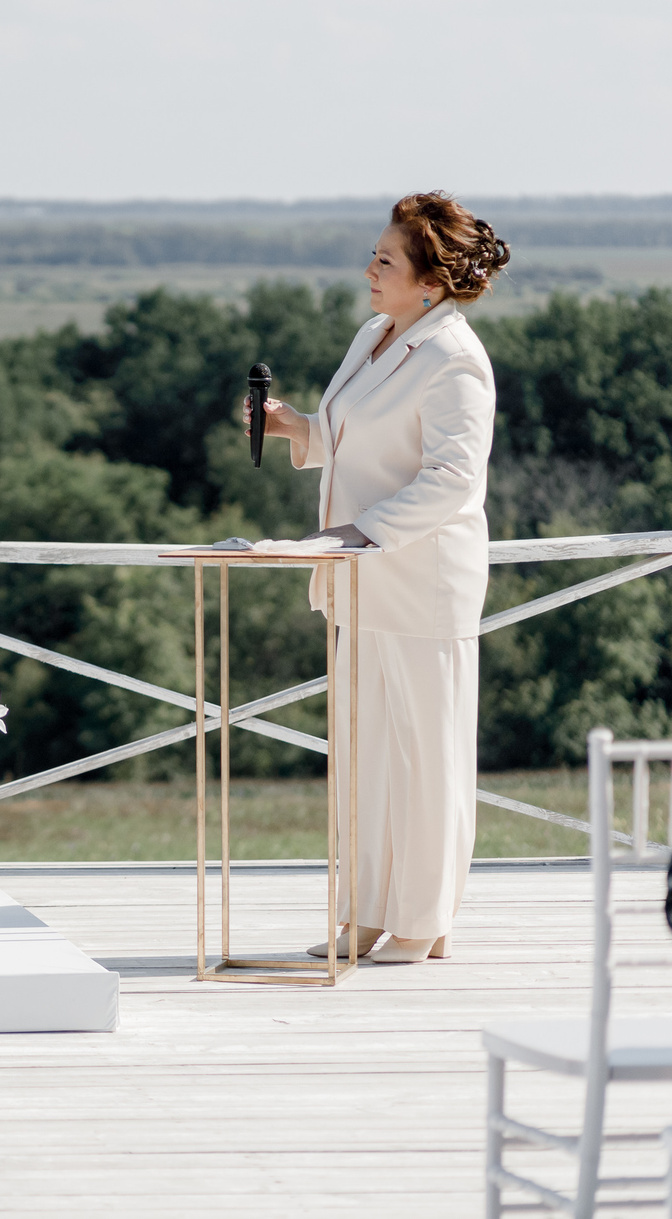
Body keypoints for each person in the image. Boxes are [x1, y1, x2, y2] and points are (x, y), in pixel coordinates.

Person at [248, 193, 509, 964]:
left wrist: (364, 529)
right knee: (363, 757)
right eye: (375, 253)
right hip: (356, 579)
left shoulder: (455, 357)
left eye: (385, 259)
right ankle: (364, 912)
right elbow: (353, 435)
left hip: (421, 580)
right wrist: (296, 426)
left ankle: (423, 920)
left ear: (430, 280)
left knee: (426, 755)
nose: (370, 268)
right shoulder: (374, 335)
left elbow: (456, 479)